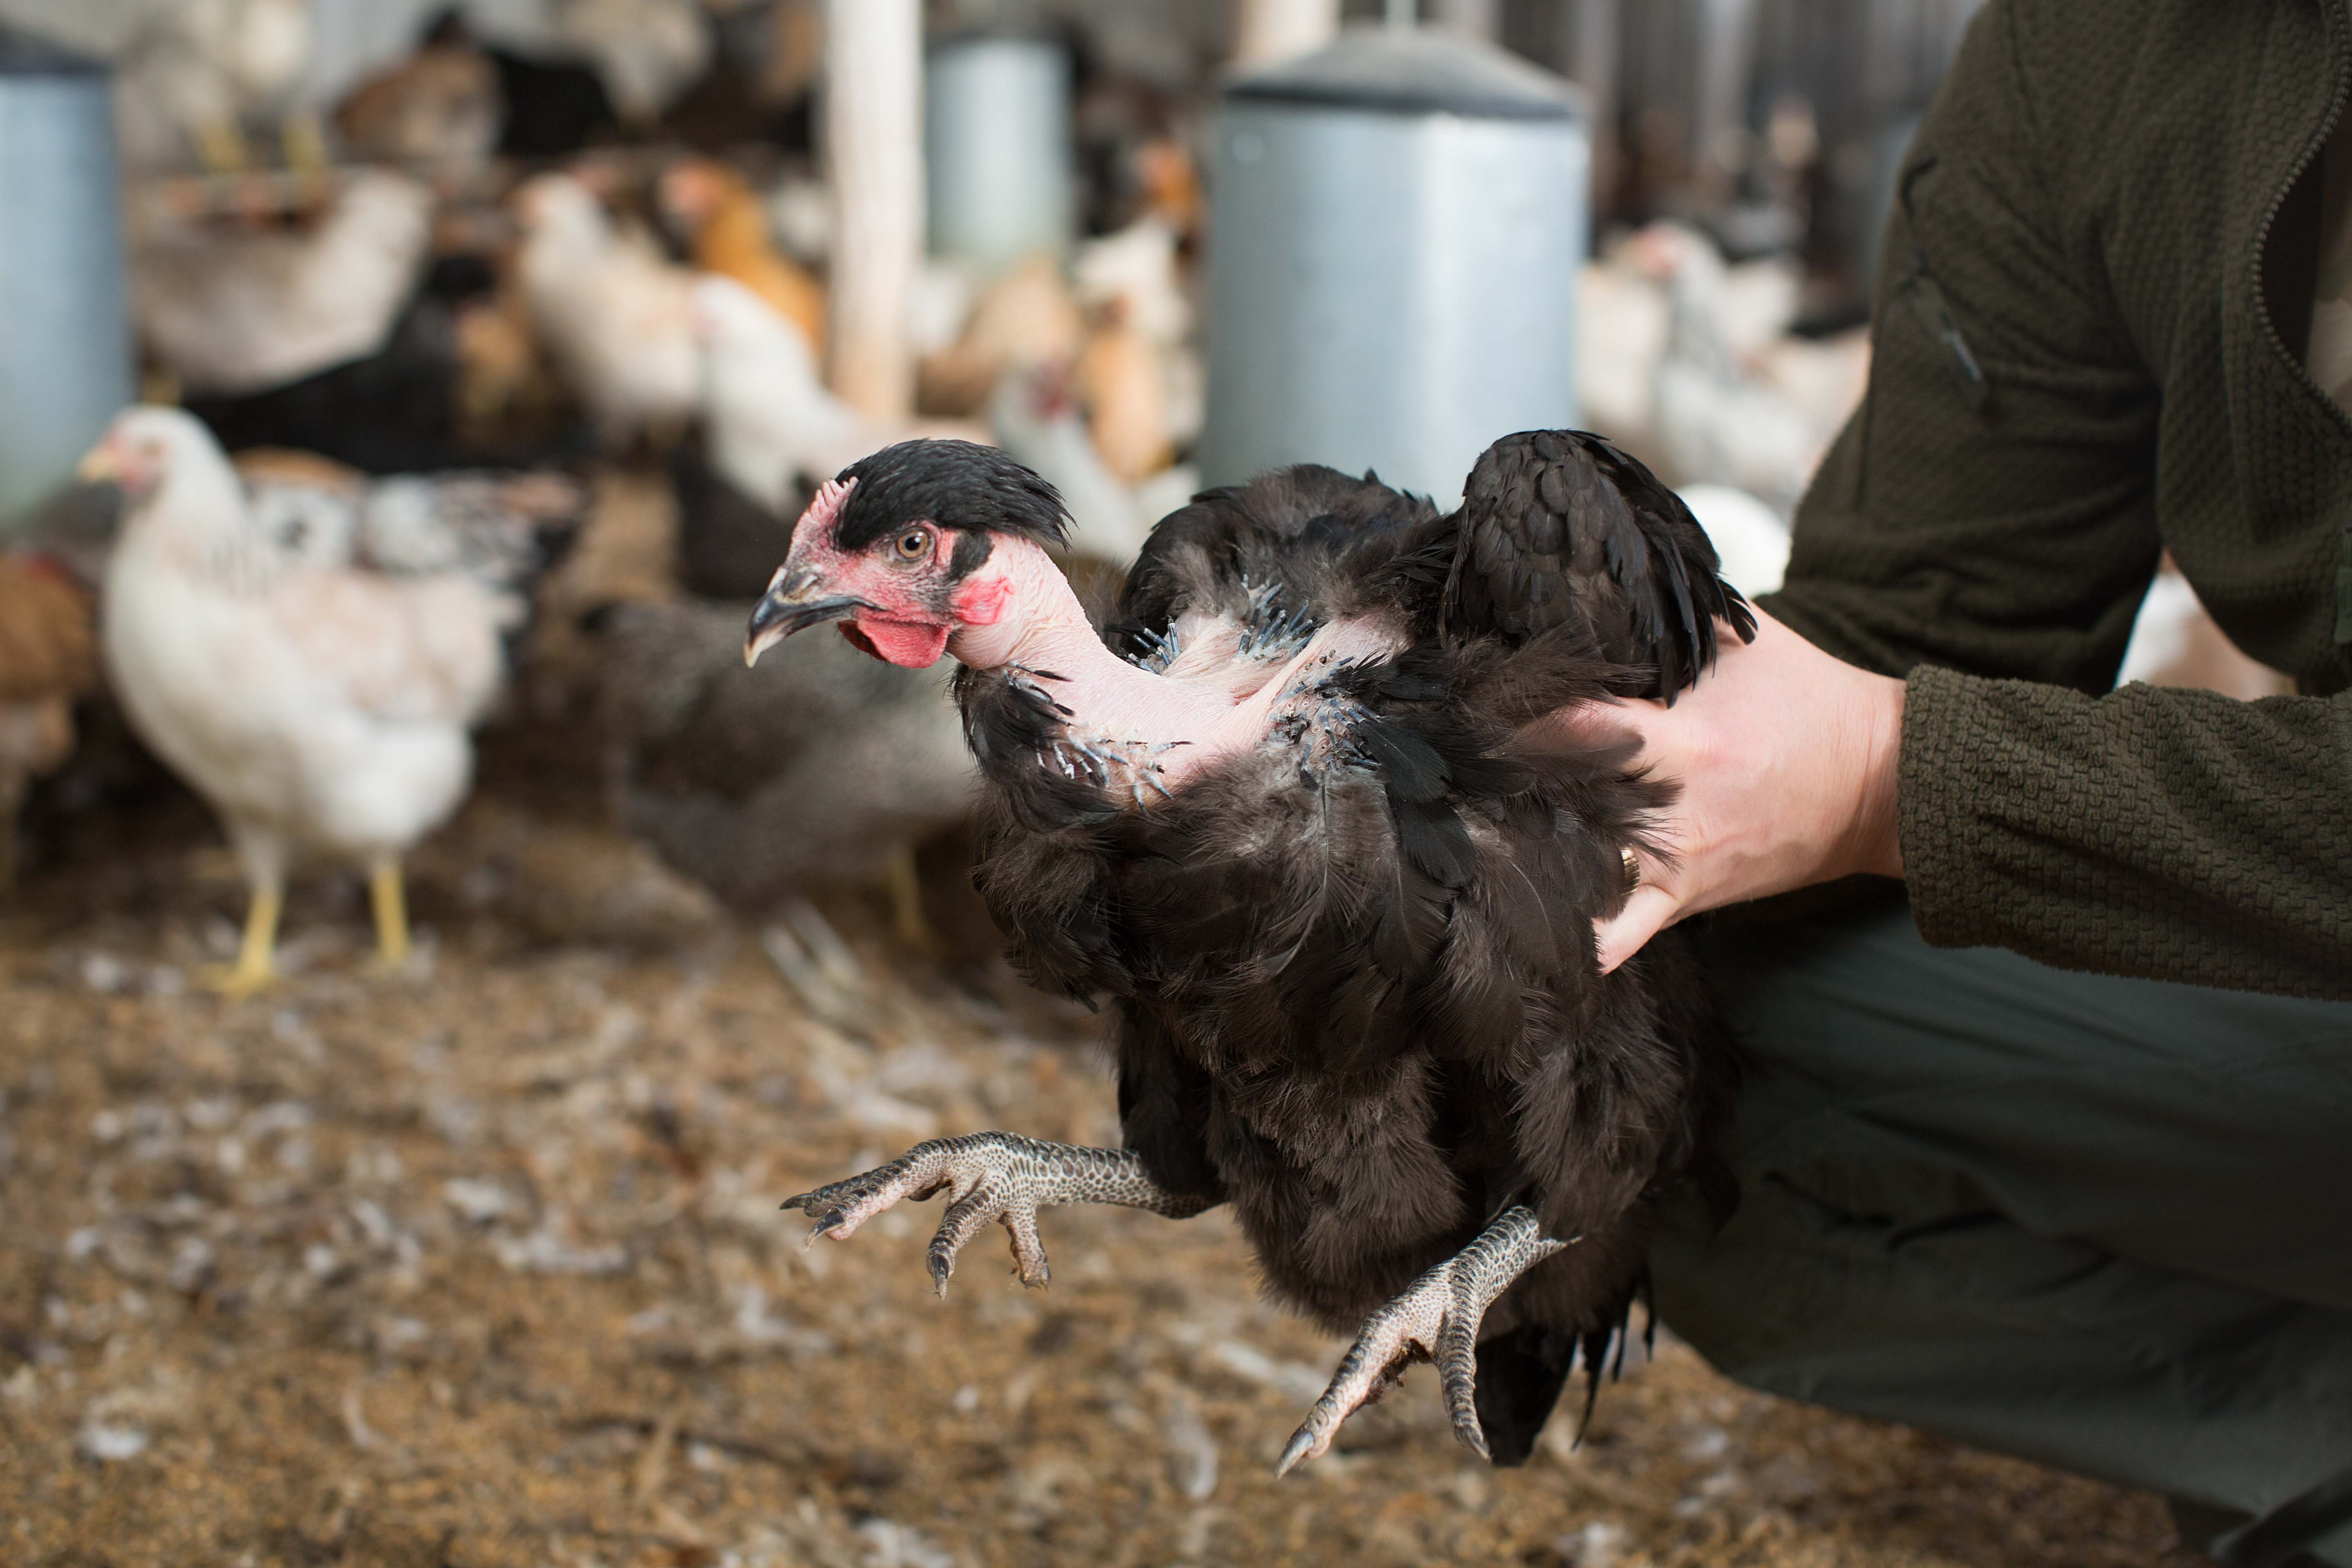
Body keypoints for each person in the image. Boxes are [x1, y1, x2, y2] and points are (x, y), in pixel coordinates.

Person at [1580, 3, 2352, 1564]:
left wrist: (1888, 772)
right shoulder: (2106, 42)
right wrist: (1564, 782)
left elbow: (1889, 736)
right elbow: (1930, 611)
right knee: (1626, 1054)